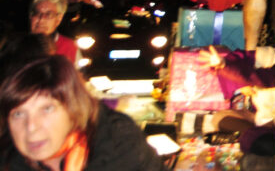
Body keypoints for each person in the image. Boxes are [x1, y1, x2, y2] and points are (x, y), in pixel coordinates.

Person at [0, 54, 161, 171]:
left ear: (73, 110)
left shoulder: (118, 145)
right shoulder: (10, 159)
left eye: (47, 109)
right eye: (18, 114)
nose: (31, 127)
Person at [27, 0, 76, 64]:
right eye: (37, 13)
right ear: (30, 16)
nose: (41, 19)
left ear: (59, 19)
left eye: (48, 14)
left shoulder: (69, 48)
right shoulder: (15, 46)